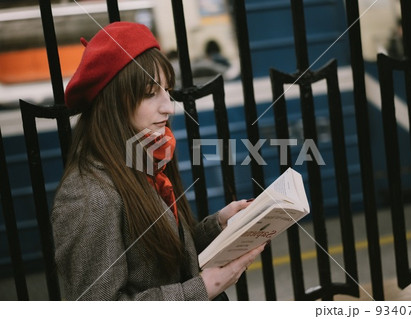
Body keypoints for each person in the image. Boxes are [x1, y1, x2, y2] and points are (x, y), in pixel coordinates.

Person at [51, 21, 265, 301]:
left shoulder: (142, 160)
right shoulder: (89, 194)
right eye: (150, 94)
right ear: (113, 103)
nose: (168, 106)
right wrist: (202, 289)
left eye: (167, 90)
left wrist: (219, 226)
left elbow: (161, 261)